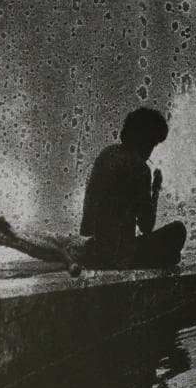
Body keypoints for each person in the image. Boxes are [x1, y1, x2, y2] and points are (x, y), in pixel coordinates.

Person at [80, 107, 187, 270]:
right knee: (178, 232)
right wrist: (155, 189)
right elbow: (146, 226)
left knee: (171, 256)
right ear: (145, 141)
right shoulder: (139, 168)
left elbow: (88, 220)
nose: (151, 151)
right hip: (118, 256)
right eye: (153, 144)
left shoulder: (106, 154)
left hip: (93, 250)